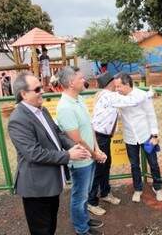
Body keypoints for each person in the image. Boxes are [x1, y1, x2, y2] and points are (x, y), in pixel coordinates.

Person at [8, 71, 91, 235]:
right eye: (37, 89)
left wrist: (74, 146)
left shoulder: (41, 110)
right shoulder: (18, 119)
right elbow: (33, 153)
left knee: (50, 224)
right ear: (24, 94)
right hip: (36, 187)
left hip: (50, 183)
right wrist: (68, 156)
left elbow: (57, 133)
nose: (42, 91)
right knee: (41, 229)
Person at [88, 72, 154, 216]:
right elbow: (131, 101)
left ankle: (105, 193)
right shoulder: (108, 95)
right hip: (99, 137)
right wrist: (148, 93)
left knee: (106, 165)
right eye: (115, 83)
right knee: (99, 168)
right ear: (110, 83)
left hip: (103, 137)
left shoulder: (106, 95)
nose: (117, 86)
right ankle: (91, 202)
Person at [56, 66, 106, 235]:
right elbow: (76, 139)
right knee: (80, 196)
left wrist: (96, 149)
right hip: (80, 161)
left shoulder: (79, 99)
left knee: (85, 193)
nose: (83, 80)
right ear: (71, 83)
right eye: (80, 78)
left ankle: (84, 220)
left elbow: (89, 126)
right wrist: (95, 154)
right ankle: (82, 229)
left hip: (90, 156)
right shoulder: (65, 107)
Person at [114, 72, 162, 203]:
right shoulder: (118, 97)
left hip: (146, 135)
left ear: (127, 84)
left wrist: (154, 135)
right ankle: (138, 189)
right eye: (115, 87)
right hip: (129, 137)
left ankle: (158, 187)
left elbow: (151, 115)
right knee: (134, 165)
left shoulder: (141, 95)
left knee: (153, 163)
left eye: (119, 86)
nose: (117, 89)